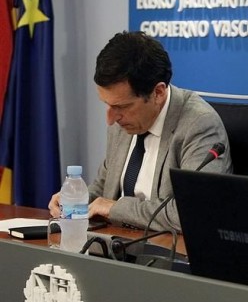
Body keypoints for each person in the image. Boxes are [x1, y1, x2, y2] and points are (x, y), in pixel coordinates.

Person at [48, 31, 232, 231]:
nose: (110, 119)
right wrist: (76, 200)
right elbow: (104, 188)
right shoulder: (123, 122)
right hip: (117, 245)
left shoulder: (199, 125)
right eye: (107, 105)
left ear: (158, 93)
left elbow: (194, 211)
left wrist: (116, 208)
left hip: (165, 253)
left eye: (122, 106)